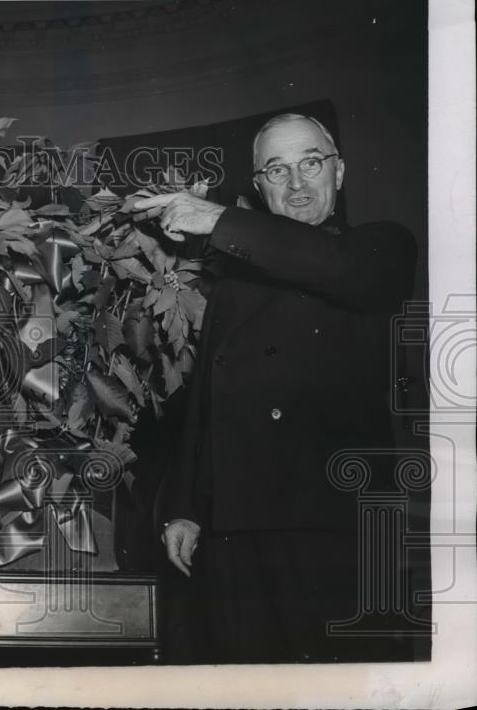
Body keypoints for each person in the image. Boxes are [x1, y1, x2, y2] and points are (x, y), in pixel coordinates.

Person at [137, 114, 417, 662]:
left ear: (341, 172)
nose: (297, 184)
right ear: (260, 188)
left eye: (311, 163)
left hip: (334, 527)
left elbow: (330, 265)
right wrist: (186, 506)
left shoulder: (381, 247)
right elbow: (205, 402)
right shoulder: (235, 284)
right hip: (235, 530)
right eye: (277, 170)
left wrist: (218, 219)